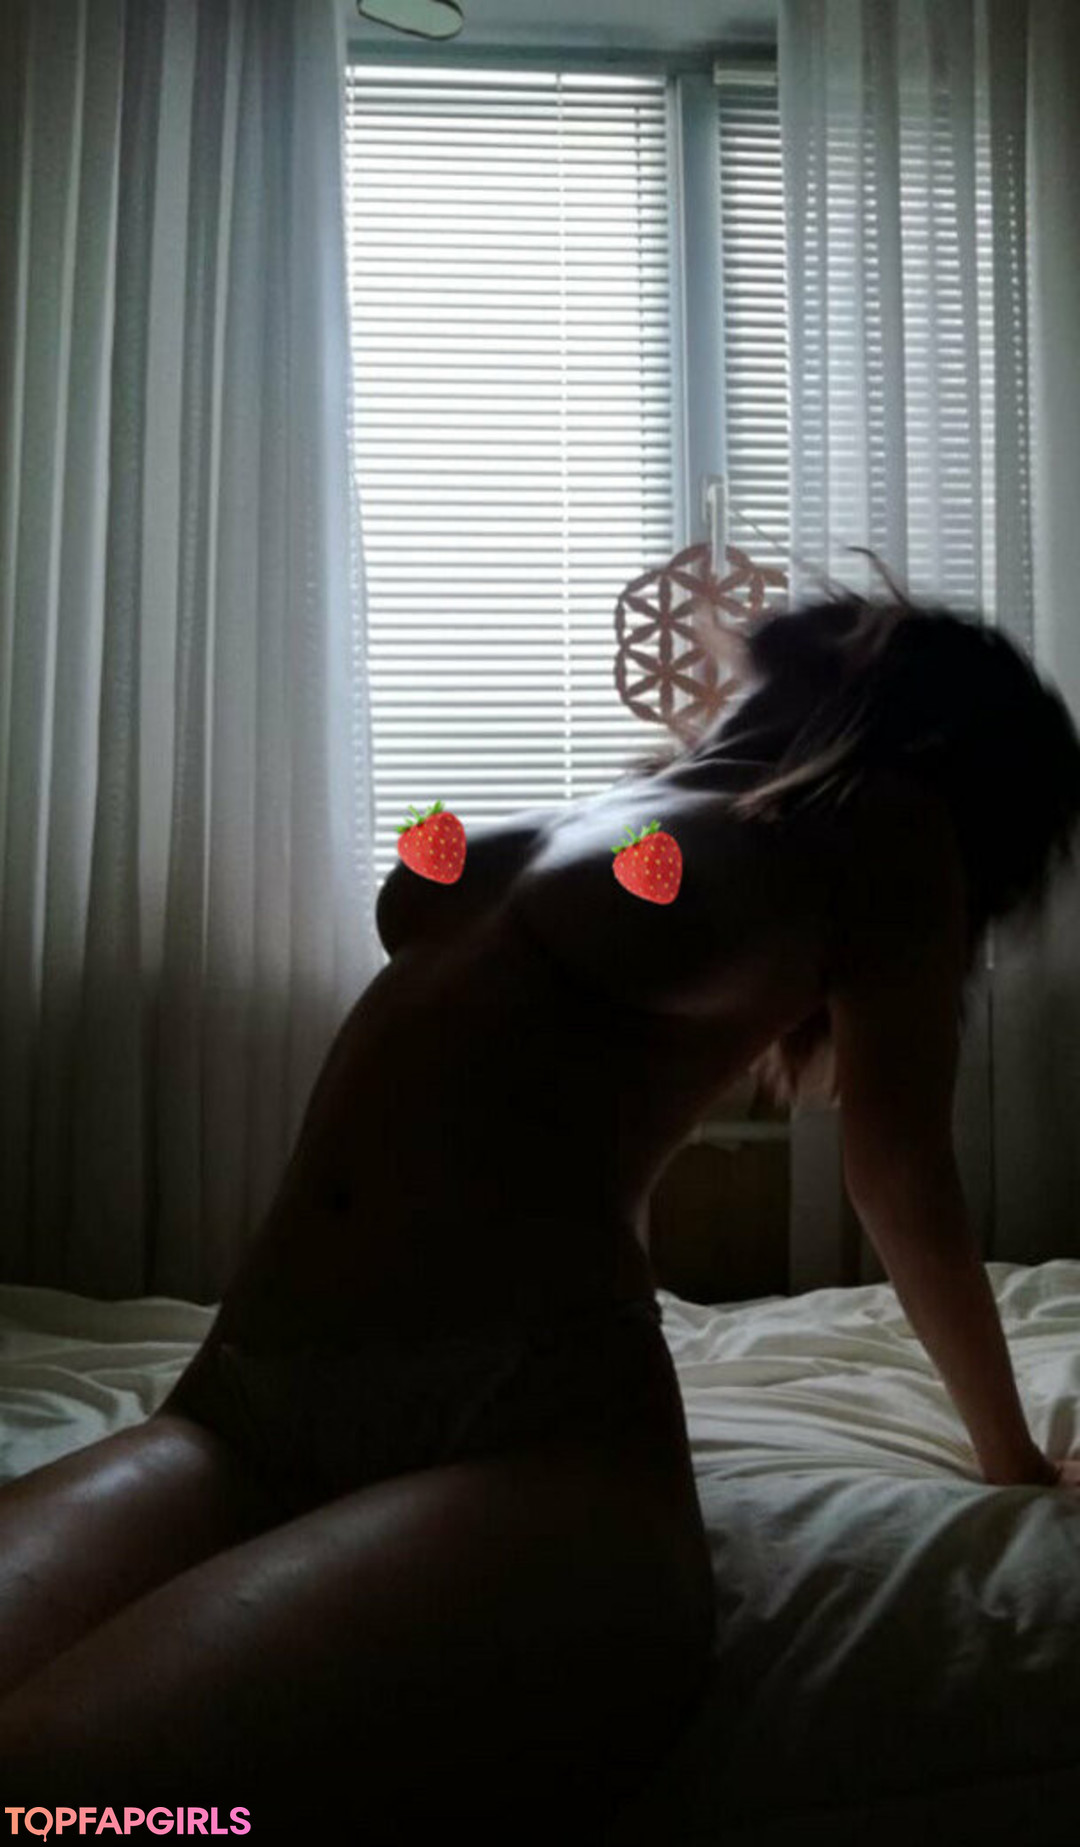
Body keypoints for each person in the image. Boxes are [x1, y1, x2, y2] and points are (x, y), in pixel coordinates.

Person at [1, 590, 1080, 1838]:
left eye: (873, 622)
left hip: (520, 1421)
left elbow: (902, 1174)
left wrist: (1007, 1453)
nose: (830, 604)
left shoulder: (884, 826)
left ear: (911, 696)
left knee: (55, 1800)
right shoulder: (643, 796)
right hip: (255, 1390)